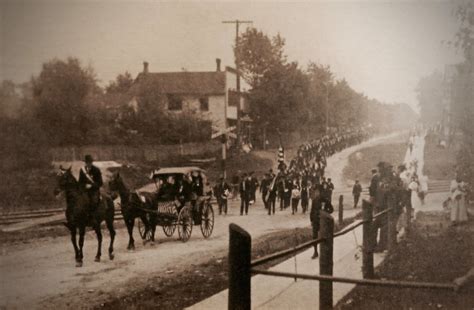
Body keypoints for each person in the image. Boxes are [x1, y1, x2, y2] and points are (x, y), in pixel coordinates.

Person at [309, 188, 334, 259]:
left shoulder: (325, 200)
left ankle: (325, 251)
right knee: (314, 236)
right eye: (315, 192)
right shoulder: (314, 200)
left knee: (324, 236)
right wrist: (311, 220)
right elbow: (312, 210)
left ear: (320, 192)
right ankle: (315, 251)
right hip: (315, 221)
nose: (316, 193)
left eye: (317, 192)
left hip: (323, 221)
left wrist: (325, 213)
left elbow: (331, 209)